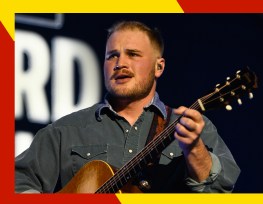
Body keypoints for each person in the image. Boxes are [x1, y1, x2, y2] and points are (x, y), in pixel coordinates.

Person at [15, 20, 240, 193]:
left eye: (132, 54)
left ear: (159, 67)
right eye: (112, 56)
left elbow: (219, 191)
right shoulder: (65, 131)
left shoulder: (194, 129)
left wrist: (194, 150)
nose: (120, 64)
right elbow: (16, 183)